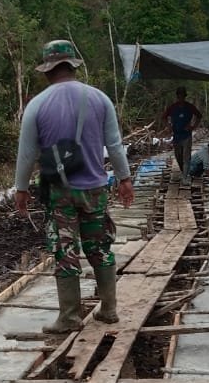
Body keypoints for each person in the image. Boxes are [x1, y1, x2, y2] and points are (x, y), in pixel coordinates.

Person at [15, 40, 134, 332]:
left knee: (64, 251)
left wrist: (21, 189)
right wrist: (125, 179)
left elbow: (27, 153)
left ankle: (69, 317)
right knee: (100, 247)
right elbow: (115, 145)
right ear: (73, 67)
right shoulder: (101, 99)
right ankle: (109, 309)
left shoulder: (37, 105)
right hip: (95, 189)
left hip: (59, 193)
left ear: (47, 70)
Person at [162, 86, 203, 177]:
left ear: (185, 96)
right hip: (176, 136)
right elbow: (164, 117)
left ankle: (185, 176)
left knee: (186, 157)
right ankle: (183, 171)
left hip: (186, 135)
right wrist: (169, 126)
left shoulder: (190, 107)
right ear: (177, 96)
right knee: (178, 156)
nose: (181, 97)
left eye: (182, 96)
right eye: (179, 96)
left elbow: (199, 116)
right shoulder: (173, 107)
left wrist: (193, 127)